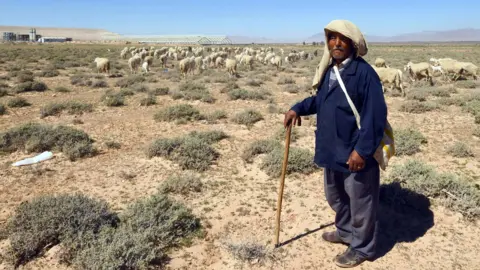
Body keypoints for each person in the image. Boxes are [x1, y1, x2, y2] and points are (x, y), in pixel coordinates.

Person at [283, 20, 387, 268]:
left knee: (361, 201)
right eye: (332, 38)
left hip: (354, 151)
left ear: (353, 44)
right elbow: (320, 101)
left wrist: (361, 151)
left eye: (342, 39)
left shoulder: (364, 74)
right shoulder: (330, 70)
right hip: (331, 148)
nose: (336, 44)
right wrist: (297, 108)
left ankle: (362, 248)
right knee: (336, 197)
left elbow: (375, 116)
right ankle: (345, 231)